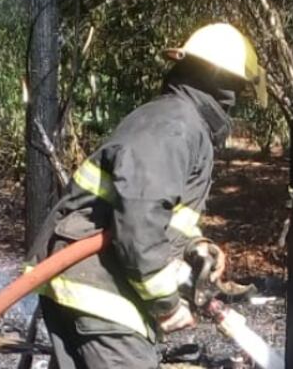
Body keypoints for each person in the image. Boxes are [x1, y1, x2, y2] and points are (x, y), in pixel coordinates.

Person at [26, 23, 266, 369]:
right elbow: (138, 222)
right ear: (226, 85)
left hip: (88, 282)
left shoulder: (175, 121)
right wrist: (166, 304)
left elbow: (153, 212)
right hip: (101, 289)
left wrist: (192, 246)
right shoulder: (175, 126)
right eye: (239, 91)